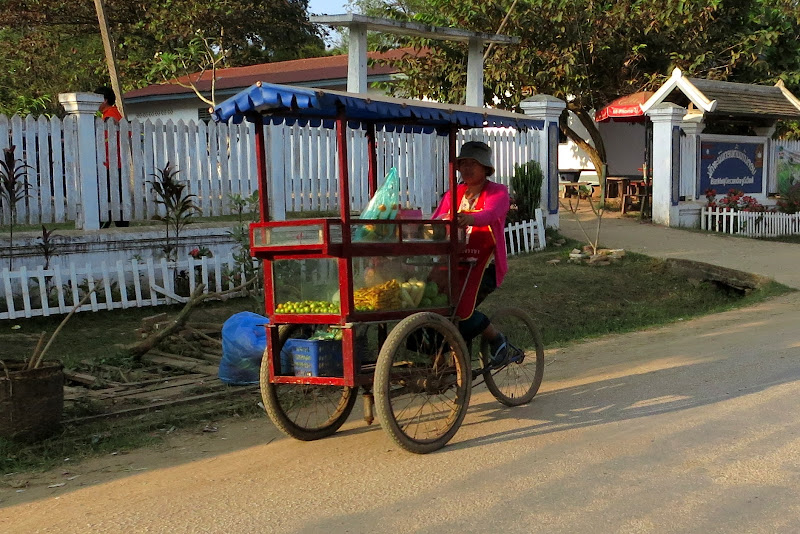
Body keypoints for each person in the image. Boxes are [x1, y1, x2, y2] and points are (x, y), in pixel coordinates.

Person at [432, 141, 519, 367]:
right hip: (454, 263)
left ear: (485, 168)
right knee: (432, 305)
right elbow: (436, 219)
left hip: (486, 265)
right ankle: (440, 363)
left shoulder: (498, 192)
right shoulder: (454, 193)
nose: (467, 168)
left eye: (473, 163)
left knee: (462, 309)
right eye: (464, 163)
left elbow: (490, 214)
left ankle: (497, 339)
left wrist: (470, 218)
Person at [95, 86, 129, 227]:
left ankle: (111, 222)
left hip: (112, 162)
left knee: (111, 194)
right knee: (112, 194)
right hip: (111, 162)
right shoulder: (108, 114)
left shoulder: (110, 115)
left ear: (104, 100)